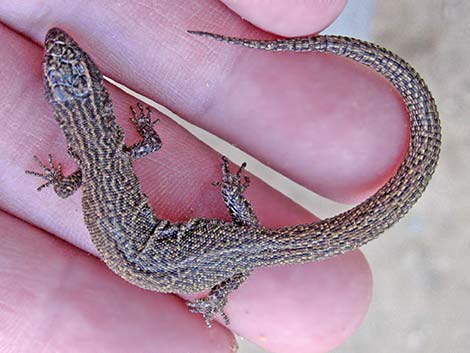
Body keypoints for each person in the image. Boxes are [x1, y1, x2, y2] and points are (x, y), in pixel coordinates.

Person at [0, 0, 408, 352]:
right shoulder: (100, 155)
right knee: (240, 249)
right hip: (172, 256)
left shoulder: (96, 157)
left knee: (241, 252)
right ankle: (229, 254)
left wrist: (219, 294)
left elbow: (79, 182)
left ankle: (225, 278)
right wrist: (142, 140)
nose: (60, 43)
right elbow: (135, 153)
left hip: (176, 261)